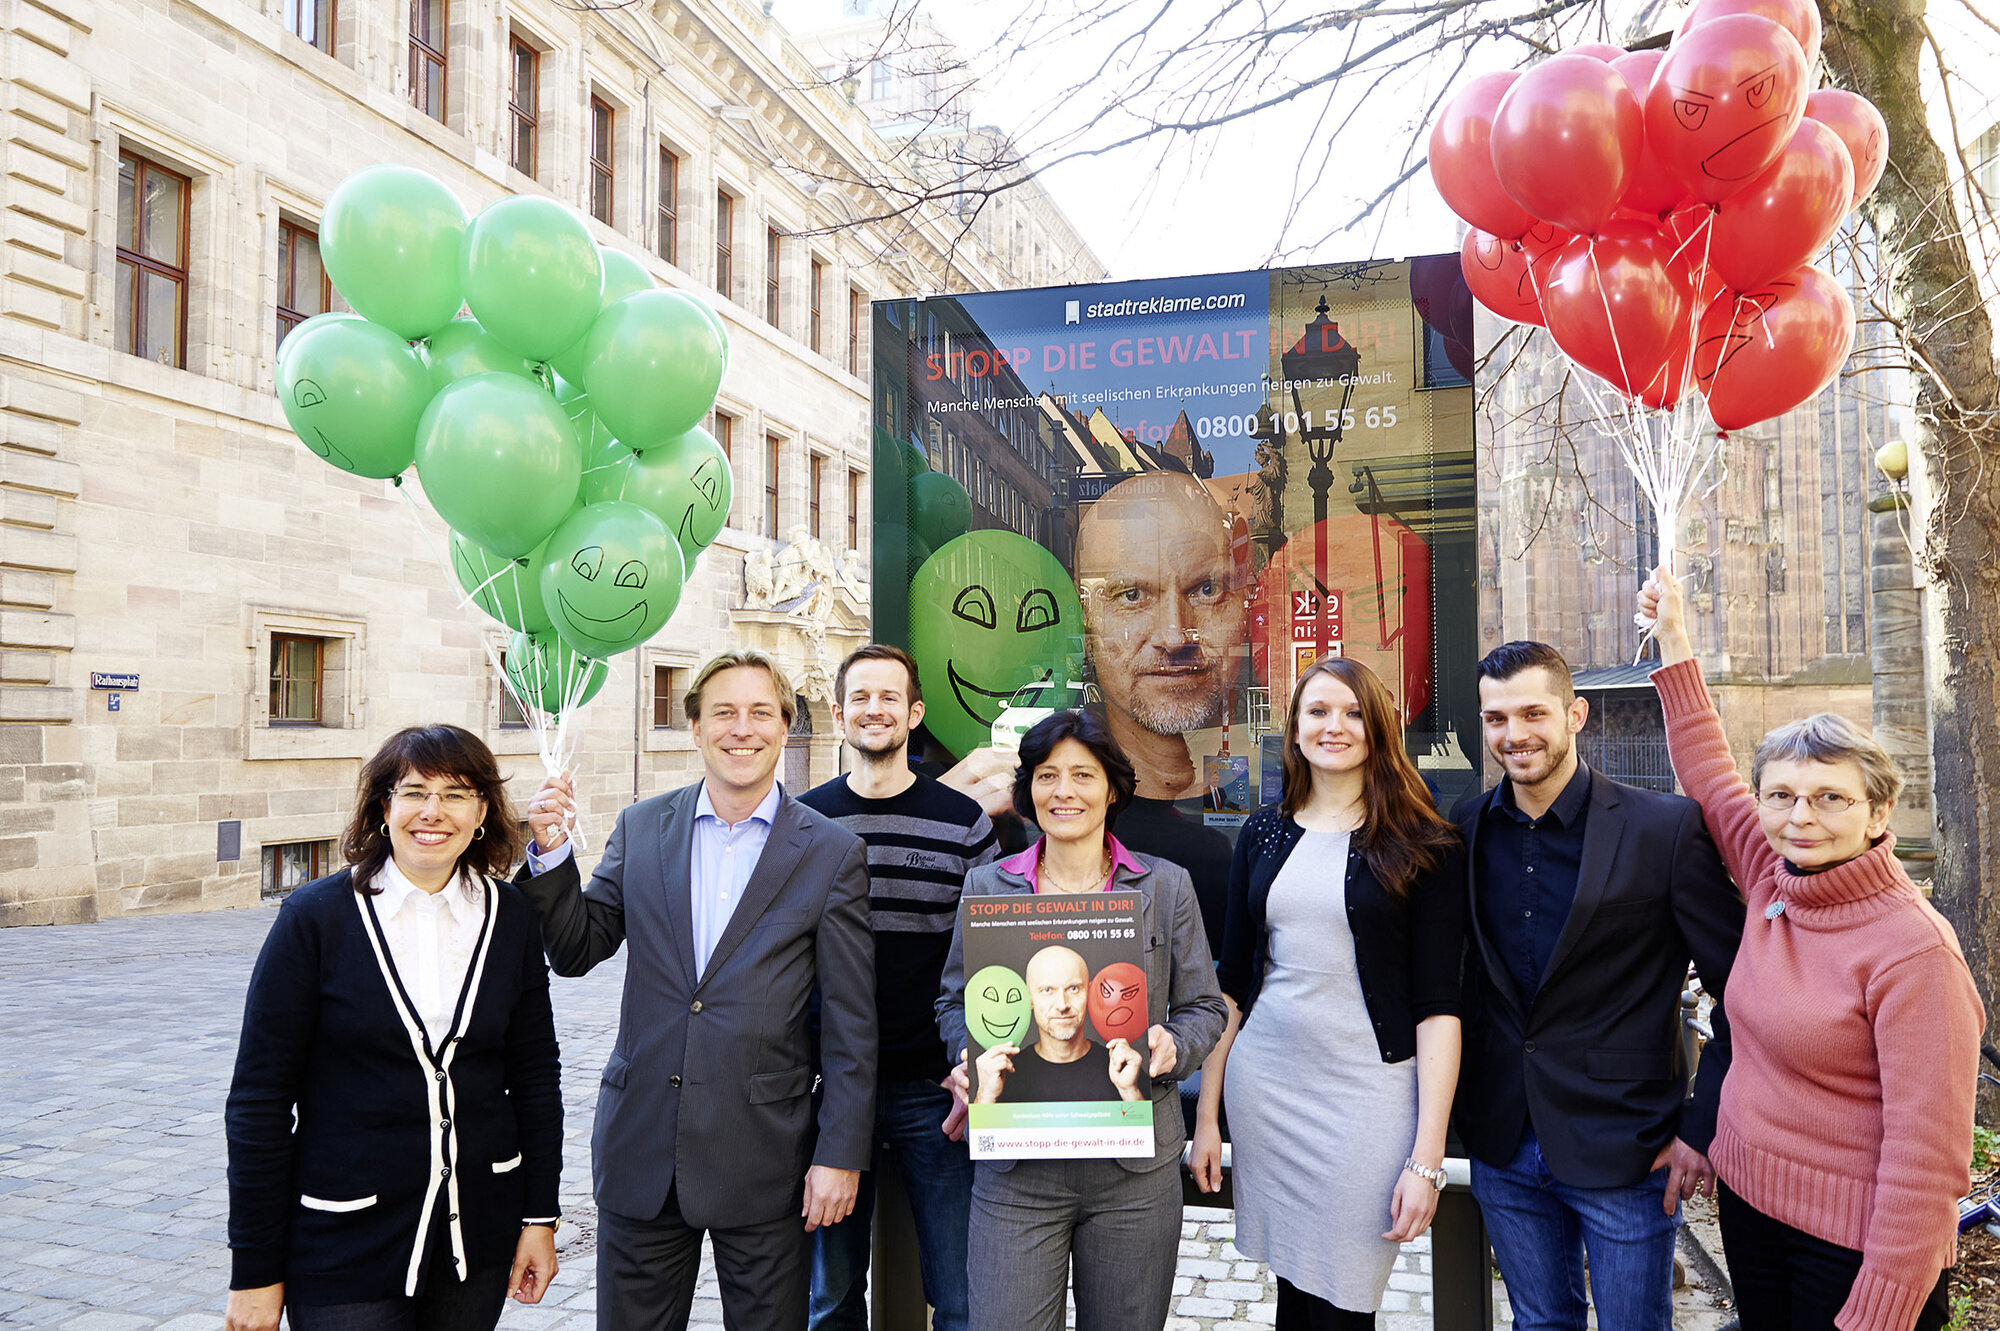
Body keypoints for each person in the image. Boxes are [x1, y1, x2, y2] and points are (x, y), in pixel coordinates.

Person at [1639, 569, 1982, 1331]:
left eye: (1830, 797)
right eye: (1782, 795)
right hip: (1752, 1208)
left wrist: (1885, 1304)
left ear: (1877, 811)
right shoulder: (1774, 876)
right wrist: (1675, 638)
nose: (1801, 817)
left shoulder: (1913, 951)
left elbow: (1928, 1158)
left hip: (1852, 1244)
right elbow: (1708, 771)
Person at [519, 650, 876, 1331]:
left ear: (784, 726)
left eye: (760, 712)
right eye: (723, 712)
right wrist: (550, 852)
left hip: (766, 1155)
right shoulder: (641, 826)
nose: (742, 729)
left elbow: (851, 1024)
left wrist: (839, 1154)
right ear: (695, 728)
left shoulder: (831, 852)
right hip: (643, 1147)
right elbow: (575, 950)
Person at [223, 725, 562, 1331]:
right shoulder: (316, 917)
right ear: (385, 807)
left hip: (476, 1240)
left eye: (456, 794)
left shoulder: (510, 916)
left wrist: (539, 1217)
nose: (433, 811)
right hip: (344, 1241)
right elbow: (259, 1101)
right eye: (414, 792)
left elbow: (535, 1076)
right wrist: (254, 1270)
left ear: (482, 812)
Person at [1454, 641, 1745, 1331]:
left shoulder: (1663, 828)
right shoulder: (1463, 829)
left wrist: (1699, 1127)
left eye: (1533, 713)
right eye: (1496, 718)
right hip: (1503, 1138)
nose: (1514, 733)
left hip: (1629, 1146)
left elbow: (1743, 993)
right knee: (1539, 1325)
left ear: (1575, 714)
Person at [1190, 656, 1466, 1329]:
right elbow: (1232, 984)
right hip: (1269, 1088)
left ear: (1378, 728)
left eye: (1352, 712)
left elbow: (1438, 1006)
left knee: (1346, 1299)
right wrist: (1207, 1117)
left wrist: (1427, 1160)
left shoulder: (1424, 841)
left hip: (1369, 1099)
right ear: (1294, 727)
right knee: (1296, 1292)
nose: (1333, 726)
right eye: (1317, 711)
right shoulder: (1262, 833)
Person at [937, 709, 1227, 1331]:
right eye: (1047, 776)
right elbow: (953, 1002)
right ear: (1028, 790)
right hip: (1017, 1169)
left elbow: (1206, 1007)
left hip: (1133, 1172)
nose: (1063, 791)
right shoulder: (987, 887)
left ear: (1113, 789)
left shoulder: (1165, 887)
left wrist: (1172, 1047)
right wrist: (968, 1056)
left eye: (1082, 775)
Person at [799, 644, 996, 1331]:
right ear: (839, 713)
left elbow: (990, 961)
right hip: (829, 1095)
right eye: (860, 697)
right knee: (829, 1301)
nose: (874, 709)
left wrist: (971, 1066)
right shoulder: (804, 821)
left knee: (963, 1300)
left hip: (936, 1094)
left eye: (890, 697)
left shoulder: (964, 821)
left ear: (914, 713)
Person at [1073, 471, 1249, 948]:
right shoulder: (1054, 811)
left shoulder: (1278, 797)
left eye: (1206, 590)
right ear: (1085, 619)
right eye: (1132, 595)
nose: (1174, 635)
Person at [974, 944, 1145, 1104]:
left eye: (1073, 989)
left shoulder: (1124, 1070)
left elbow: (1145, 1126)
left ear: (1090, 992)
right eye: (1047, 990)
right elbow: (980, 1128)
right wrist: (985, 1095)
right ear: (1029, 998)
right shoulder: (1001, 1076)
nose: (1062, 1005)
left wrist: (1130, 1091)